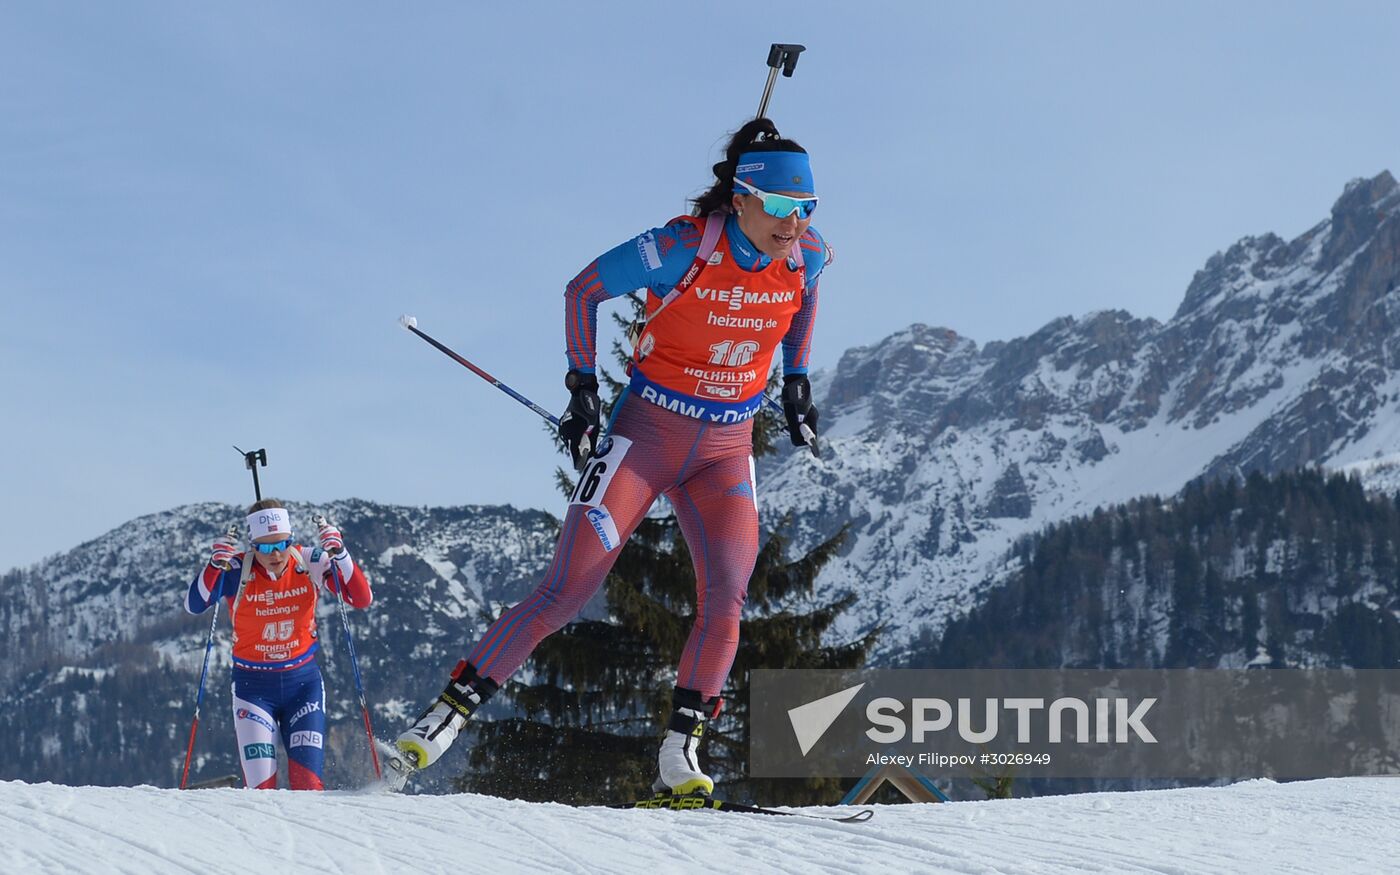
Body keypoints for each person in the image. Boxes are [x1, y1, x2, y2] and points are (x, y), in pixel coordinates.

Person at [393, 117, 831, 796]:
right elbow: (582, 290)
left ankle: (679, 753)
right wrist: (582, 388)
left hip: (725, 450)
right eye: (778, 207)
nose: (793, 224)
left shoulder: (807, 254)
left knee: (727, 597)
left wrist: (797, 379)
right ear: (741, 198)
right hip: (645, 436)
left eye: (805, 208)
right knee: (567, 589)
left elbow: (806, 299)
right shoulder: (681, 247)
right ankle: (444, 718)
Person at [184, 499, 372, 790]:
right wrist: (213, 566)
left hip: (303, 686)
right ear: (252, 545)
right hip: (253, 690)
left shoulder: (308, 561)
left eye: (283, 544)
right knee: (261, 791)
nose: (276, 554)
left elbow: (360, 598)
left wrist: (341, 554)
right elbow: (194, 604)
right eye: (266, 547)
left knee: (307, 785)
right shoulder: (236, 570)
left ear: (292, 539)